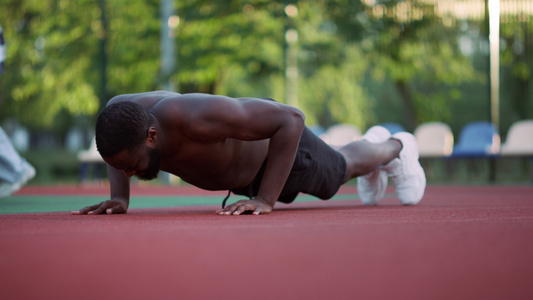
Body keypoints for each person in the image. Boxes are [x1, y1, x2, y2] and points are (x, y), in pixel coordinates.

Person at [72, 91, 425, 216]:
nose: (129, 173)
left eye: (132, 167)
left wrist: (267, 199)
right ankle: (377, 144)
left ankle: (396, 146)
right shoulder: (122, 116)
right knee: (340, 166)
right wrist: (120, 197)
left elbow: (291, 119)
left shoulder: (192, 116)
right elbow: (119, 153)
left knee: (338, 173)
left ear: (152, 136)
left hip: (277, 149)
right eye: (121, 170)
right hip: (245, 179)